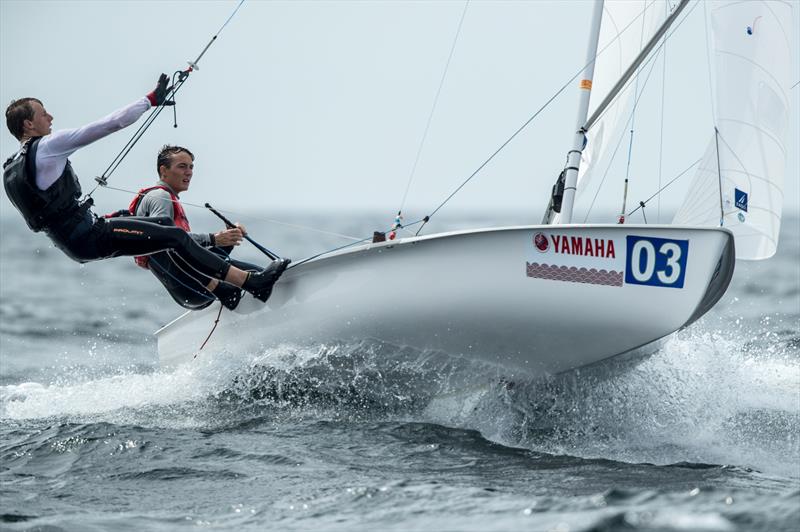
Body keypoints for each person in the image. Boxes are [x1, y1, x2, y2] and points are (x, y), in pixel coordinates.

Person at [3, 74, 289, 304]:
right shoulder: (48, 147)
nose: (50, 117)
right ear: (29, 124)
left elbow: (52, 212)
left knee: (163, 226)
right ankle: (251, 283)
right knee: (175, 236)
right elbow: (110, 124)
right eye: (43, 113)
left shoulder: (13, 167)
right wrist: (150, 100)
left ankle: (225, 290)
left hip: (77, 239)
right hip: (89, 235)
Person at [130, 145, 259, 310]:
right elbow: (165, 240)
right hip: (193, 285)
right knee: (263, 277)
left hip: (189, 292)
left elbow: (187, 252)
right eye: (182, 166)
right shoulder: (160, 196)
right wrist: (214, 239)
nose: (189, 172)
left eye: (191, 167)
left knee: (247, 273)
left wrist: (228, 239)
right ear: (164, 171)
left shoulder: (165, 198)